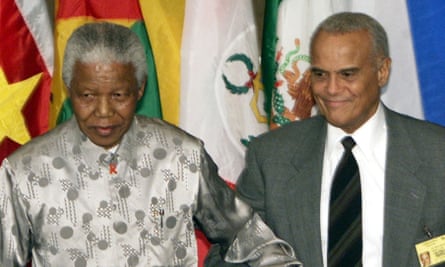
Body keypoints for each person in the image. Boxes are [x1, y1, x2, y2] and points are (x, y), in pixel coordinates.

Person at [0, 22, 301, 267]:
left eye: (119, 95)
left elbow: (248, 238)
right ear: (70, 89)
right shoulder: (24, 171)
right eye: (87, 96)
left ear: (140, 89)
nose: (103, 112)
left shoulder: (181, 157)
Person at [207, 12, 445, 267]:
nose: (331, 89)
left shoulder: (437, 154)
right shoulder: (271, 158)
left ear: (382, 71)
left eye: (347, 75)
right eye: (320, 75)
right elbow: (227, 257)